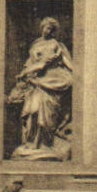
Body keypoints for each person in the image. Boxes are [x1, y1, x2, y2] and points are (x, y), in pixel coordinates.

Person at [8, 18, 74, 157]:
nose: (47, 30)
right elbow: (30, 62)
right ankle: (31, 143)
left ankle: (45, 144)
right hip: (35, 82)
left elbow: (67, 63)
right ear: (42, 28)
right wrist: (25, 73)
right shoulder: (36, 44)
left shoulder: (57, 45)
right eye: (46, 27)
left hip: (51, 81)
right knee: (32, 111)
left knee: (47, 115)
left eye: (51, 29)